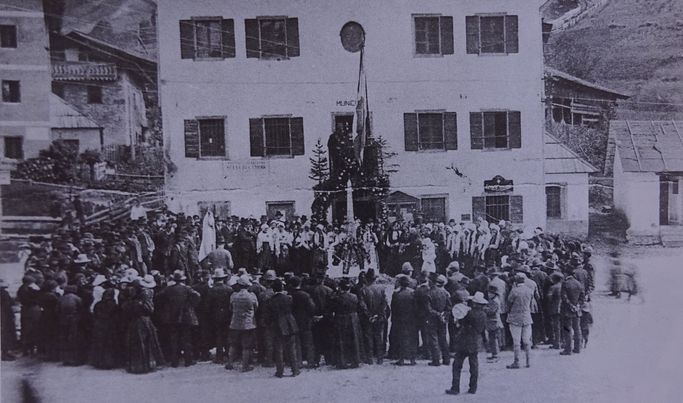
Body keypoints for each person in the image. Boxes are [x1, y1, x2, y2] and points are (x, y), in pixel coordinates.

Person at [156, 270, 200, 367]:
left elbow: (158, 297)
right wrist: (190, 305)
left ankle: (174, 361)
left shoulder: (168, 289)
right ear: (182, 279)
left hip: (171, 317)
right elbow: (197, 295)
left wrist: (166, 305)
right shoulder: (187, 288)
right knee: (186, 338)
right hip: (185, 316)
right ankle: (188, 360)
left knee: (174, 339)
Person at [446, 291, 487, 396]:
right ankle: (473, 388)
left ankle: (455, 388)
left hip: (464, 342)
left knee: (457, 365)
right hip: (475, 341)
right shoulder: (483, 314)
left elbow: (460, 323)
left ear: (475, 303)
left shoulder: (469, 313)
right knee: (474, 365)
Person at [125, 275, 164, 373]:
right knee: (147, 342)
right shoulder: (143, 300)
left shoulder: (130, 301)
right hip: (145, 321)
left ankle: (137, 365)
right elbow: (150, 310)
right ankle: (148, 364)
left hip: (134, 322)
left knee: (137, 343)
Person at [266, 279, 300, 377]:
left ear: (273, 289)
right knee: (292, 348)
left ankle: (280, 371)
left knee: (278, 349)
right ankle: (295, 370)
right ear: (282, 287)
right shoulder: (289, 298)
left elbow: (269, 315)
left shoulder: (270, 300)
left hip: (277, 324)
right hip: (289, 323)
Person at [226, 275, 258, 372]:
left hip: (235, 322)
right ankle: (245, 366)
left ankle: (230, 363)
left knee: (233, 344)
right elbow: (256, 307)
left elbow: (230, 308)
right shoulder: (251, 296)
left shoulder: (233, 295)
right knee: (246, 346)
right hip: (248, 324)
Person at [330, 278, 362, 369]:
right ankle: (355, 361)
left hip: (341, 318)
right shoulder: (354, 296)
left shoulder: (337, 297)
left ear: (340, 287)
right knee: (354, 339)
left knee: (341, 340)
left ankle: (342, 361)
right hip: (353, 318)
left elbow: (332, 307)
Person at [358, 269, 388, 365]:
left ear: (367, 279)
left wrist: (370, 316)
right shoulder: (381, 289)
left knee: (368, 337)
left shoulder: (363, 290)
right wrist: (379, 314)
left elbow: (362, 305)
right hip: (379, 317)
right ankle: (380, 358)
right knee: (379, 337)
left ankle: (370, 358)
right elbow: (384, 304)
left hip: (368, 318)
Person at [506, 273, 533, 369]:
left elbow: (509, 303)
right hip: (527, 316)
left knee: (516, 341)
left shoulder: (514, 291)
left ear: (516, 281)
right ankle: (528, 361)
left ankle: (517, 362)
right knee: (526, 340)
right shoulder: (529, 290)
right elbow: (530, 303)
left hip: (515, 317)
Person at [390, 275, 417, 366]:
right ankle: (412, 359)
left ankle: (401, 359)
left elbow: (393, 308)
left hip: (400, 319)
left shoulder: (396, 294)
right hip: (411, 319)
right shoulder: (413, 293)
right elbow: (416, 307)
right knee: (412, 338)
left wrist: (394, 319)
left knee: (401, 338)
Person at [89, 288, 120, 369]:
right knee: (109, 344)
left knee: (100, 343)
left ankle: (98, 362)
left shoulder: (98, 304)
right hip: (110, 326)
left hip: (99, 326)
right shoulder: (113, 304)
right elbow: (117, 316)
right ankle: (109, 362)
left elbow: (95, 314)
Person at [207, 269, 233, 364]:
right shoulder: (229, 289)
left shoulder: (211, 290)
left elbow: (208, 305)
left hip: (216, 315)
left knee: (219, 336)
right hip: (227, 315)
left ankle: (219, 357)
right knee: (228, 335)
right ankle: (229, 355)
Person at [426, 274, 452, 366]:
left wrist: (437, 314)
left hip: (433, 318)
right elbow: (449, 307)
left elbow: (428, 309)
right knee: (443, 339)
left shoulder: (429, 293)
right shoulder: (445, 293)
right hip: (443, 319)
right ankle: (446, 359)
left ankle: (436, 360)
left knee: (433, 339)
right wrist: (443, 315)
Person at [560, 270, 584, 356]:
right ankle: (577, 348)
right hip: (577, 311)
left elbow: (564, 297)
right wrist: (577, 305)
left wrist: (570, 305)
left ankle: (568, 349)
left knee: (567, 329)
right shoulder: (579, 283)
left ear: (566, 273)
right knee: (577, 329)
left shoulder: (565, 283)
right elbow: (582, 297)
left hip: (567, 310)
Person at [484, 284, 503, 362]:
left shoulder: (494, 301)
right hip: (492, 321)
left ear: (494, 294)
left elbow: (491, 311)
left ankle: (495, 355)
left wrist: (484, 308)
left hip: (494, 321)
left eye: (490, 293)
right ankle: (494, 354)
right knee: (492, 338)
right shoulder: (493, 300)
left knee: (493, 339)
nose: (489, 294)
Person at [1, 279, 17, 361]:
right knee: (6, 334)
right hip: (5, 316)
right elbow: (9, 304)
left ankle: (5, 352)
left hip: (3, 315)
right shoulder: (4, 293)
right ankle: (5, 353)